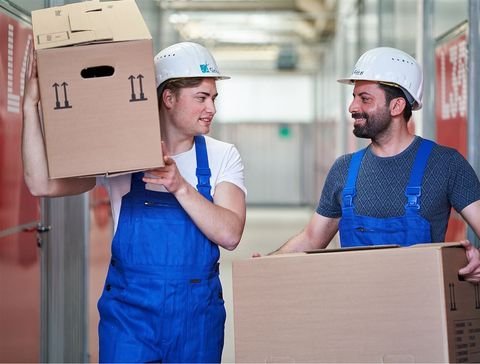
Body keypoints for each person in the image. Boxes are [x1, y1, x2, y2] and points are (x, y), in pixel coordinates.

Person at [23, 41, 247, 363]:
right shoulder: (122, 155)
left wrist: (179, 186)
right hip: (130, 318)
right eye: (201, 97)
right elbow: (40, 182)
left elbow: (230, 234)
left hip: (196, 318)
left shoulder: (222, 156)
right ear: (168, 98)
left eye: (213, 98)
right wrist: (32, 107)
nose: (211, 108)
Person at [258, 46, 480, 283]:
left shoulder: (445, 164)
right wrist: (267, 264)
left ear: (396, 106)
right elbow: (313, 238)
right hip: (357, 311)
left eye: (364, 99)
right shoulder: (344, 169)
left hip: (424, 312)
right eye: (354, 97)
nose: (352, 107)